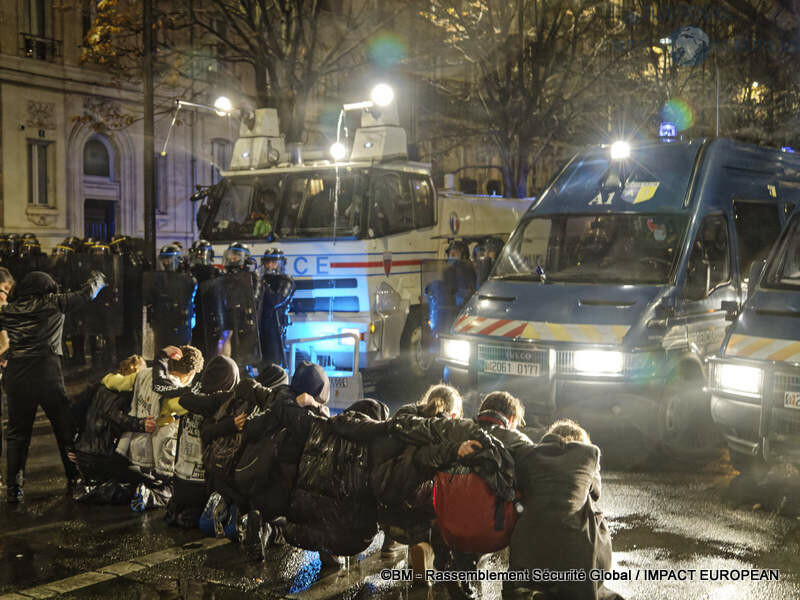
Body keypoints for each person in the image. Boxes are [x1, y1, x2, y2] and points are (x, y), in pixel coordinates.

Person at [0, 270, 106, 502]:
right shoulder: (54, 303)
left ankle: (14, 488)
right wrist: (97, 277)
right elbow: (87, 294)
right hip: (47, 373)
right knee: (64, 428)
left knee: (18, 433)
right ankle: (74, 476)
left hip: (18, 374)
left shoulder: (8, 311)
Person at [507, 419, 622, 600]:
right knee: (589, 510)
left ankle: (533, 590)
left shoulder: (527, 454)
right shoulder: (590, 454)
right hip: (576, 553)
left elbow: (520, 487)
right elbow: (596, 493)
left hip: (529, 547)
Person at [116, 345, 203, 512]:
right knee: (169, 489)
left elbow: (118, 386)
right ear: (191, 374)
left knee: (143, 477)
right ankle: (151, 496)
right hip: (161, 451)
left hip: (136, 444)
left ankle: (140, 488)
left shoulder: (144, 374)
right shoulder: (176, 390)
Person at [69, 355, 154, 500]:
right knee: (146, 480)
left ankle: (90, 485)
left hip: (84, 456)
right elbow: (116, 416)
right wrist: (141, 424)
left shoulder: (100, 386)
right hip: (101, 458)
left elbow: (74, 413)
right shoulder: (126, 393)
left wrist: (72, 447)